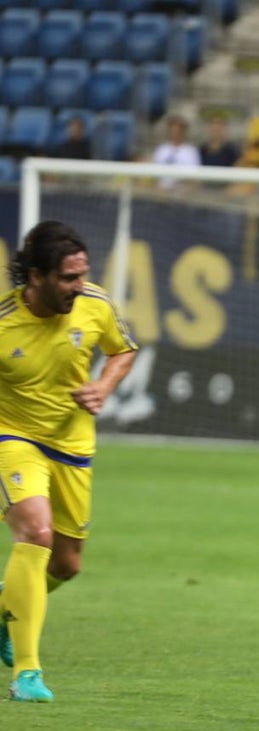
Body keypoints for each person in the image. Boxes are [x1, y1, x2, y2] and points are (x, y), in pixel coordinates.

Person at [0, 220, 139, 702]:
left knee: (67, 564)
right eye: (68, 278)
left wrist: (103, 385)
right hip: (13, 438)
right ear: (35, 276)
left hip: (74, 447)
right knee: (34, 533)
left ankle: (7, 610)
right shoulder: (3, 324)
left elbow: (123, 351)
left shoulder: (95, 304)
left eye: (82, 275)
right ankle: (27, 673)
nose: (79, 288)